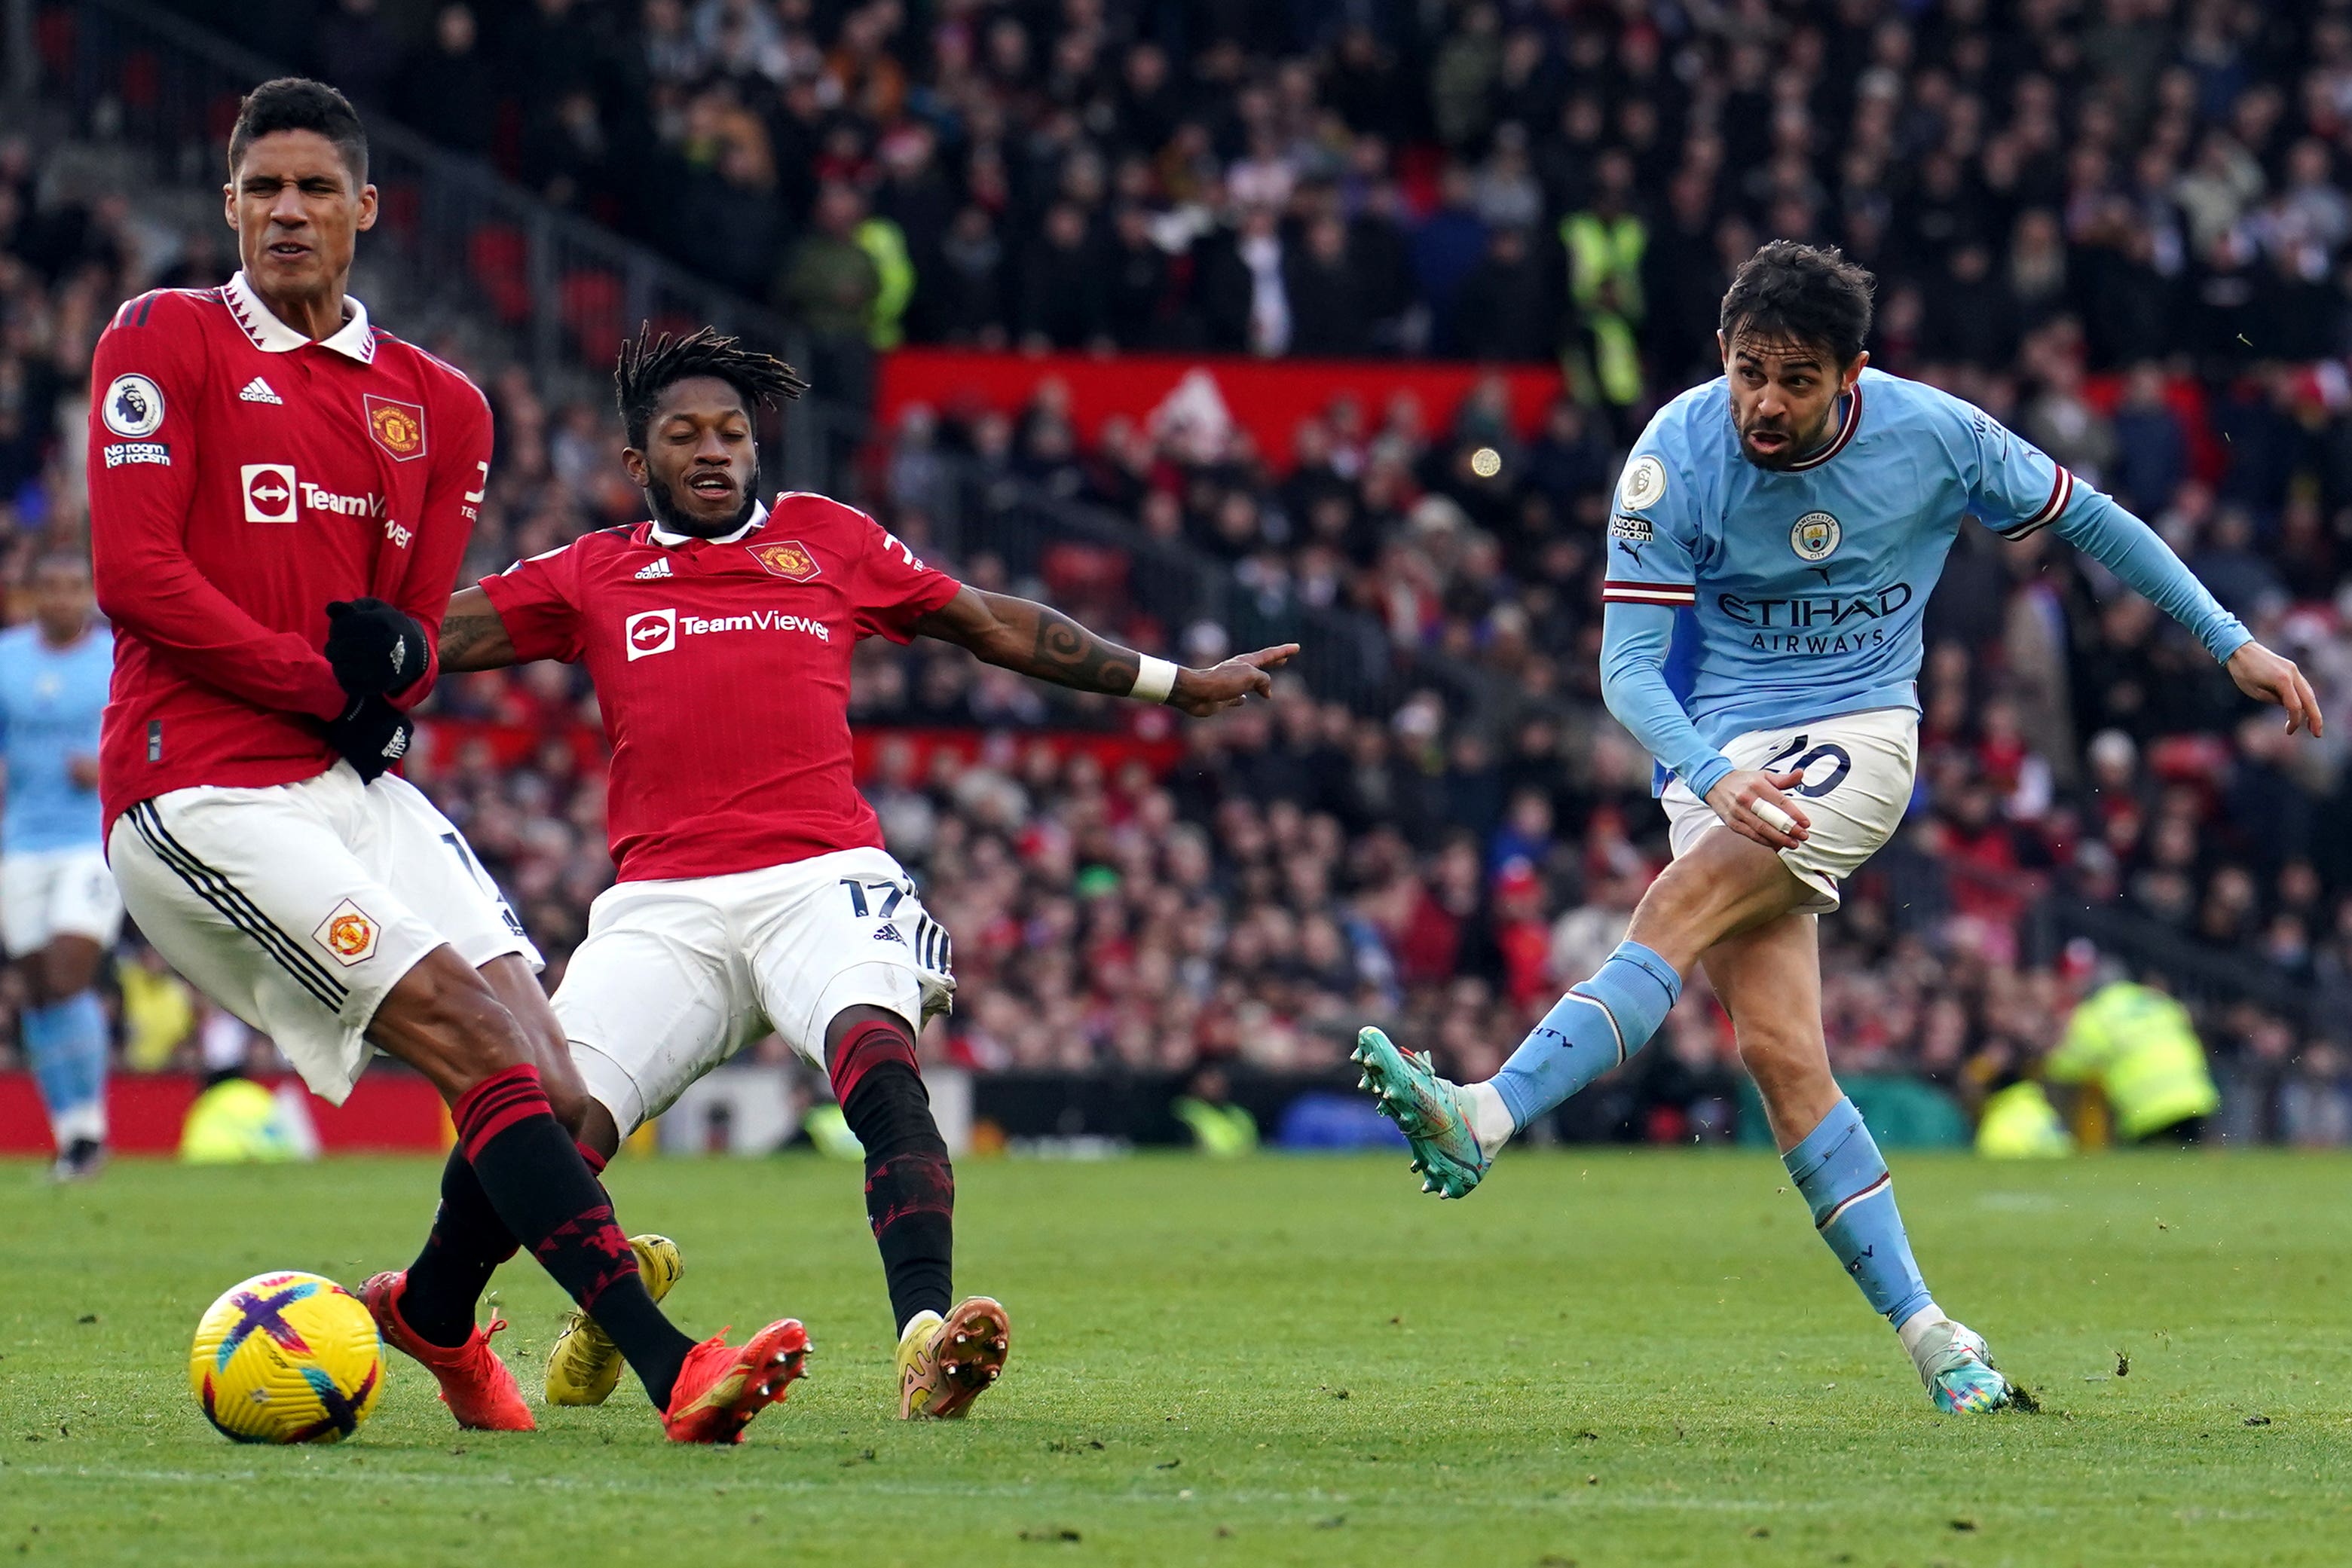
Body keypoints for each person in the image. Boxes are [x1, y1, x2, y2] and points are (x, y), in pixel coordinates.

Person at [1352, 240, 2323, 1414]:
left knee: (1678, 908)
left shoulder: (1937, 436)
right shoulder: (1673, 454)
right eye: (1749, 369)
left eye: (1797, 377)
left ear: (1851, 374)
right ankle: (1940, 1345)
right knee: (1781, 1059)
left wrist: (2232, 640)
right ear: (1722, 353)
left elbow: (2096, 522)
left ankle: (1485, 1114)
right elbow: (1627, 670)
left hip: (1860, 733)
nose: (1766, 400)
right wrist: (1710, 773)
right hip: (1715, 756)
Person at [85, 77, 803, 1444]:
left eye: (312, 189)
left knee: (571, 1097)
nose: (284, 212)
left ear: (365, 207)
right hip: (199, 791)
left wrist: (399, 676)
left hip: (350, 792)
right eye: (259, 189)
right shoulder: (163, 338)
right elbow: (135, 575)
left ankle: (429, 1308)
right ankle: (673, 1367)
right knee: (478, 1048)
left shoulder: (440, 405)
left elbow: (409, 633)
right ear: (229, 204)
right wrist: (323, 680)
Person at [434, 324, 1296, 1417]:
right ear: (634, 464)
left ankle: (924, 1342)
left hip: (822, 878)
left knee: (881, 1068)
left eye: (733, 434)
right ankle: (523, 1310)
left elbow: (990, 624)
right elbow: (429, 634)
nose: (713, 452)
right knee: (554, 1134)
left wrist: (1178, 684)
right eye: (684, 436)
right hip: (661, 907)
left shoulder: (827, 542)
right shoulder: (592, 571)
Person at [0, 554, 120, 1180]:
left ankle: (91, 1129)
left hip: (92, 842)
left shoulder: (115, 661)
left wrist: (103, 774)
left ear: (89, 594)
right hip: (20, 844)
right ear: (30, 595)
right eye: (50, 587)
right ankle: (72, 1133)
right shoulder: (7, 660)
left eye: (74, 587)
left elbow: (151, 740)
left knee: (69, 973)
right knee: (39, 990)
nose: (62, 598)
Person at [2045, 974, 2219, 1145]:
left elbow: (2068, 1066)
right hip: (2193, 1094)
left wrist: (2043, 1061)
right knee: (2194, 1159)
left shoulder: (2097, 1012)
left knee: (2157, 1169)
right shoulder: (2155, 1000)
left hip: (2147, 1107)